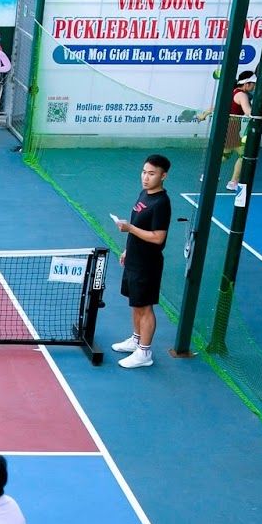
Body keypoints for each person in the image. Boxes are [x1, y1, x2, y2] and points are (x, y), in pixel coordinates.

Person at [111, 153, 172, 369]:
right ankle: (136, 340)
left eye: (152, 174)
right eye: (144, 172)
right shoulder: (144, 194)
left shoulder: (161, 203)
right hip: (134, 259)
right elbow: (139, 223)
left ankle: (144, 353)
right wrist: (127, 249)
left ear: (163, 176)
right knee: (135, 303)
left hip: (148, 264)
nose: (146, 177)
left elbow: (158, 237)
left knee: (145, 307)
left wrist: (129, 228)